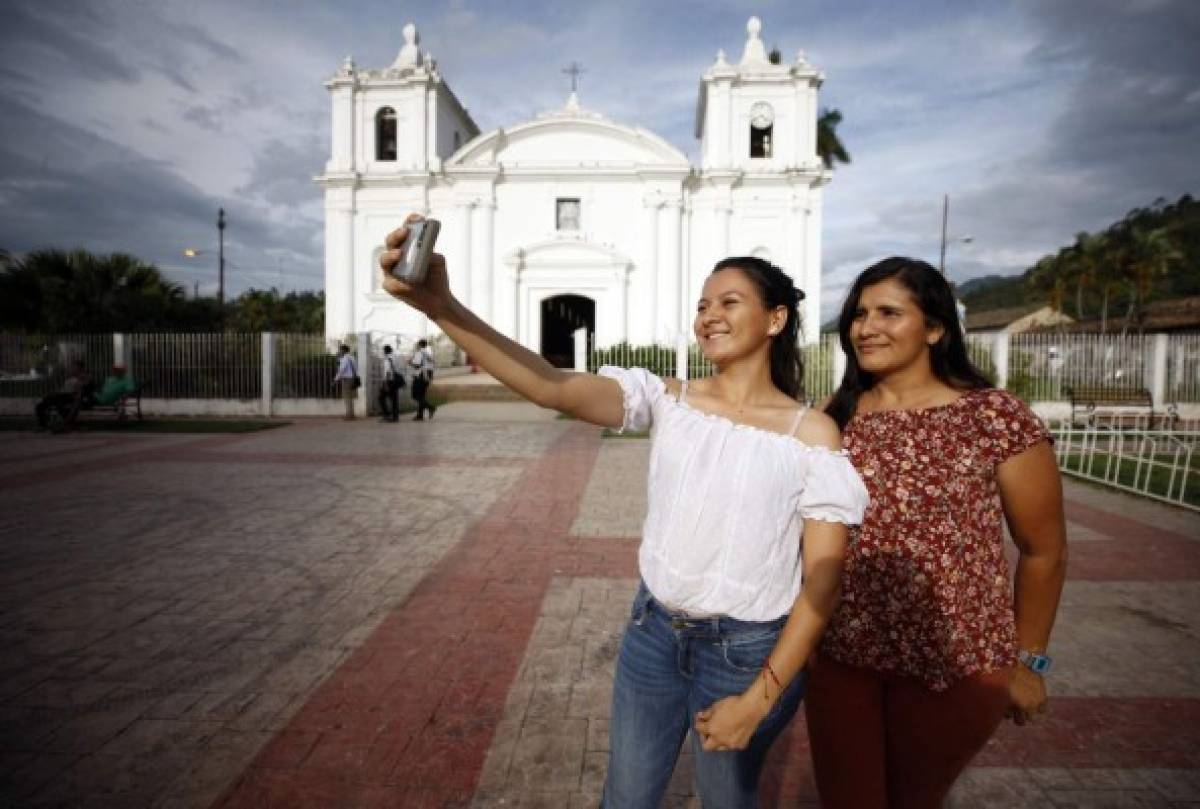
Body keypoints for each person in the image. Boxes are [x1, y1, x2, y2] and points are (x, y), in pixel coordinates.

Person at [377, 215, 869, 807]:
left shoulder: (810, 433)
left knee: (727, 801)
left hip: (746, 653)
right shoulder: (669, 399)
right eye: (702, 304)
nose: (708, 315)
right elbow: (551, 386)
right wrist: (442, 307)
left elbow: (824, 579)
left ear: (776, 318)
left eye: (729, 302)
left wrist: (761, 697)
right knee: (627, 798)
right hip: (653, 636)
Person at [806, 257, 1068, 809]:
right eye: (858, 314)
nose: (865, 327)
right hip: (842, 654)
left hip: (956, 662)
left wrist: (1030, 661)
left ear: (934, 328)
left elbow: (1044, 551)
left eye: (887, 312)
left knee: (914, 799)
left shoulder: (993, 417)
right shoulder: (834, 416)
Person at [34, 360, 89, 431]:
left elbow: (82, 390)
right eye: (72, 367)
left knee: (57, 403)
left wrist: (79, 384)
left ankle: (64, 425)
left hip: (72, 398)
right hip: (63, 397)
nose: (72, 369)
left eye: (74, 367)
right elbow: (62, 390)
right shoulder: (70, 379)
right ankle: (43, 425)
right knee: (40, 405)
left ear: (80, 368)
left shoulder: (84, 377)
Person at [408, 338, 437, 421]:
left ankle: (431, 407)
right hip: (428, 376)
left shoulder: (419, 353)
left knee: (415, 395)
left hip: (420, 376)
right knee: (422, 396)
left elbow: (417, 365)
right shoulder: (429, 353)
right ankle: (420, 415)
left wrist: (410, 362)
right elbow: (432, 364)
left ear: (420, 344)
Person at [377, 345, 404, 422]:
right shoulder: (396, 357)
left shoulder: (387, 359)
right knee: (394, 399)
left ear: (385, 351)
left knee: (381, 398)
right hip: (395, 380)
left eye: (383, 351)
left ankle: (386, 415)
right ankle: (395, 417)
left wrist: (385, 383)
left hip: (389, 381)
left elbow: (388, 372)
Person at [333, 344, 358, 420]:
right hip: (353, 378)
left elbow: (342, 370)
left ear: (344, 350)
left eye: (340, 350)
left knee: (347, 397)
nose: (340, 351)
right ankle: (351, 414)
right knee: (351, 397)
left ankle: (349, 415)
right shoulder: (352, 358)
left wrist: (336, 379)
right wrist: (339, 359)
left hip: (347, 379)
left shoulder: (345, 359)